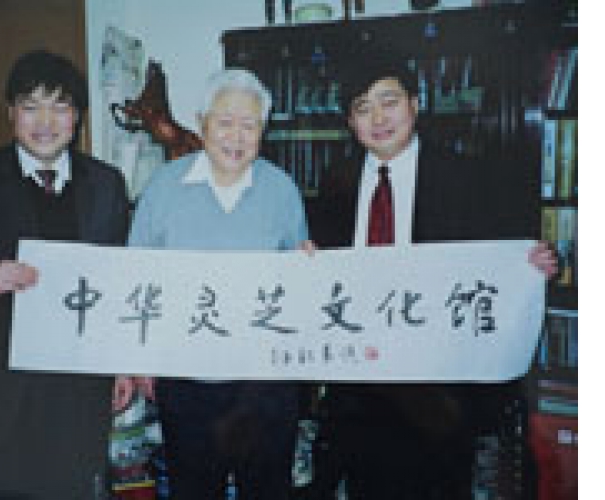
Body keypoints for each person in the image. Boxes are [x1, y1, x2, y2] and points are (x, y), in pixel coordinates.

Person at [307, 57, 558, 499]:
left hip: (440, 383)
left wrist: (535, 263)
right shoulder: (336, 181)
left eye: (390, 102)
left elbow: (503, 256)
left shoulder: (466, 176)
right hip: (361, 380)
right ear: (349, 122)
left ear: (415, 104)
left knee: (441, 486)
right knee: (369, 486)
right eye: (363, 108)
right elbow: (324, 270)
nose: (379, 118)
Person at [0, 50, 129, 499]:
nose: (45, 122)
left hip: (82, 385)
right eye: (31, 106)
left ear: (77, 116)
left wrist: (123, 365)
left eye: (60, 107)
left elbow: (119, 281)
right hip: (3, 388)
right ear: (11, 113)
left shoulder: (106, 184)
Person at [113, 68, 309, 500]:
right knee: (193, 489)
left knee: (267, 490)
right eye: (225, 122)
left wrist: (308, 269)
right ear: (202, 124)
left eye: (249, 125)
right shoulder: (164, 187)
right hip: (188, 381)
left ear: (262, 132)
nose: (236, 136)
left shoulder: (282, 190)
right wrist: (135, 359)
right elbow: (135, 276)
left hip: (265, 383)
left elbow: (297, 286)